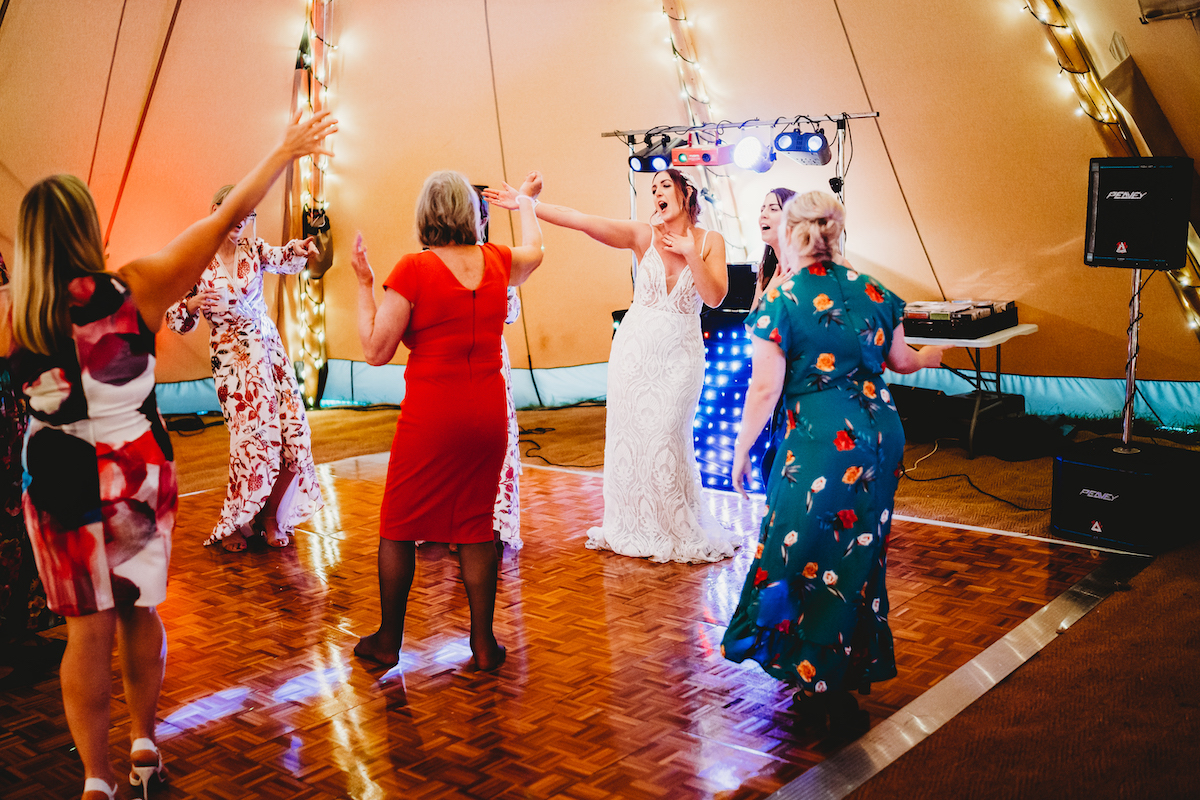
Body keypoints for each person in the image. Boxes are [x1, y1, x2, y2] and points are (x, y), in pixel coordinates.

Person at [5, 111, 336, 800]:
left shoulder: (14, 316)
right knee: (138, 612)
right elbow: (223, 221)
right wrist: (282, 150)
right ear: (85, 229)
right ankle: (145, 744)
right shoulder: (136, 287)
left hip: (60, 485)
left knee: (83, 633)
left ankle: (97, 781)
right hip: (134, 475)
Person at [722, 190, 950, 739]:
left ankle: (811, 680)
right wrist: (930, 358)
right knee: (855, 557)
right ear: (837, 230)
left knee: (796, 552)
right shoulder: (875, 291)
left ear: (792, 233)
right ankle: (837, 683)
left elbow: (763, 388)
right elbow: (902, 361)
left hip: (820, 443)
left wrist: (740, 448)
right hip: (878, 441)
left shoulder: (784, 300)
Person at [484, 168, 740, 564]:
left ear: (686, 193)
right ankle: (636, 525)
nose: (655, 193)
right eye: (652, 188)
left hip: (680, 357)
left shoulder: (711, 242)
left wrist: (691, 252)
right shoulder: (642, 236)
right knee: (633, 439)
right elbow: (583, 221)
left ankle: (674, 525)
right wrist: (526, 203)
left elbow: (715, 297)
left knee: (667, 436)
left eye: (664, 186)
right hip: (634, 355)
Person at [350, 170, 543, 672]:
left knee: (397, 525)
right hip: (488, 413)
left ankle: (388, 639)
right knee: (477, 524)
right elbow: (536, 253)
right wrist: (525, 204)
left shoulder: (413, 269)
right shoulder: (498, 260)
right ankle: (483, 644)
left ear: (425, 214)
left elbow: (375, 349)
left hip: (434, 414)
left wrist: (364, 285)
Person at [164, 187, 324, 552]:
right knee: (252, 442)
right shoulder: (195, 258)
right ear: (216, 209)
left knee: (294, 433)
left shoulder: (254, 250)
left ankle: (269, 515)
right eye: (234, 213)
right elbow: (175, 318)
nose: (241, 222)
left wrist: (300, 248)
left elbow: (284, 256)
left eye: (247, 216)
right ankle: (236, 521)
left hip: (271, 356)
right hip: (234, 364)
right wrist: (190, 304)